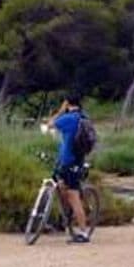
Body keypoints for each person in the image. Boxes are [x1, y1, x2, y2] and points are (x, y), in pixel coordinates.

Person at [48, 95, 94, 244]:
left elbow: (50, 124)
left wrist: (61, 110)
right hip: (77, 161)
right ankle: (66, 217)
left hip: (69, 161)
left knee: (73, 197)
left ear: (67, 103)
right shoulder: (84, 117)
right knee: (63, 189)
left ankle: (83, 232)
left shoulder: (68, 118)